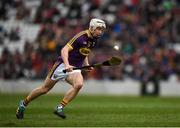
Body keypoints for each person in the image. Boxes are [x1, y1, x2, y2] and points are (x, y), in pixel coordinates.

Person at [16, 18, 106, 119]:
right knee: (44, 89)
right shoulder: (80, 37)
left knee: (79, 84)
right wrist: (67, 65)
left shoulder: (94, 41)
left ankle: (60, 107)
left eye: (102, 30)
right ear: (92, 28)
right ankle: (23, 104)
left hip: (75, 68)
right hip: (62, 65)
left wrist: (87, 64)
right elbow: (64, 50)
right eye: (99, 29)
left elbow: (84, 53)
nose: (101, 32)